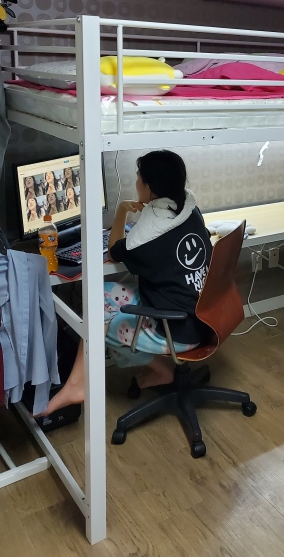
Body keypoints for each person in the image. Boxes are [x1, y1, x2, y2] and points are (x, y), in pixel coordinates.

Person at [39, 150, 214, 417]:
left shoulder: (147, 237)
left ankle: (78, 385)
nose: (136, 182)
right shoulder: (190, 210)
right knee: (103, 294)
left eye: (138, 178)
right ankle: (154, 372)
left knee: (99, 318)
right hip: (205, 316)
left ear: (149, 186)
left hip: (178, 331)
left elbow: (114, 250)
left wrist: (121, 211)